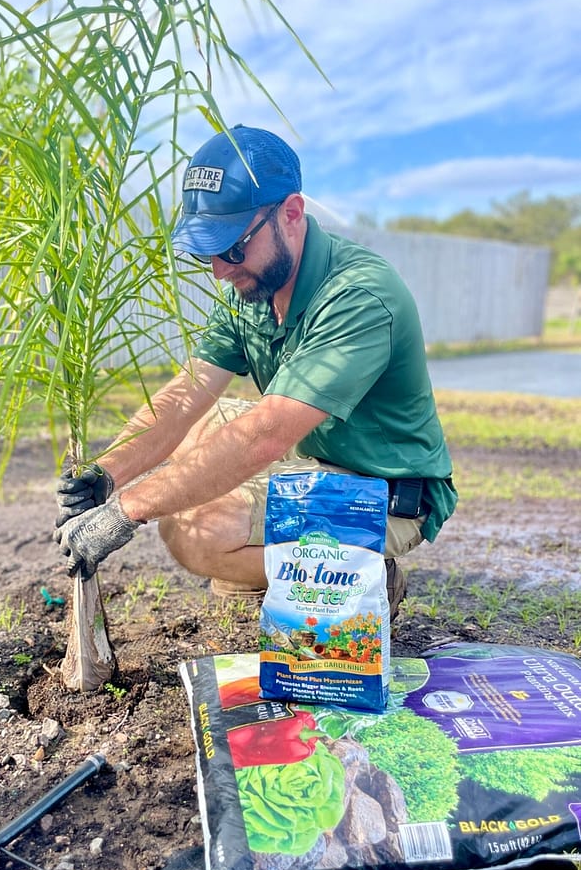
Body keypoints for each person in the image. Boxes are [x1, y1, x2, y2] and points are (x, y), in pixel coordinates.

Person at [54, 124, 457, 619]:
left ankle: (365, 575)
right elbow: (185, 397)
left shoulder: (359, 296)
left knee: (193, 530)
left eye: (232, 247)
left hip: (382, 488)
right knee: (198, 424)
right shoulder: (253, 290)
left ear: (290, 213)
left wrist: (125, 510)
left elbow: (263, 436)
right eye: (207, 253)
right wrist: (106, 474)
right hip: (314, 453)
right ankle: (282, 563)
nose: (220, 270)